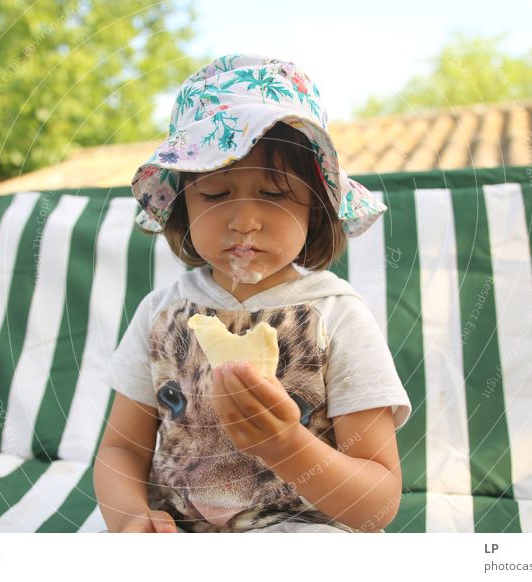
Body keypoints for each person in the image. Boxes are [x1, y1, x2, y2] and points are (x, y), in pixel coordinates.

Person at [93, 54, 412, 533]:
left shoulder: (336, 316)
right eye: (216, 194)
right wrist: (129, 518)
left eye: (275, 193)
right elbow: (120, 449)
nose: (244, 220)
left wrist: (285, 442)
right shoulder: (160, 313)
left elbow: (377, 506)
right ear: (182, 205)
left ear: (316, 208)